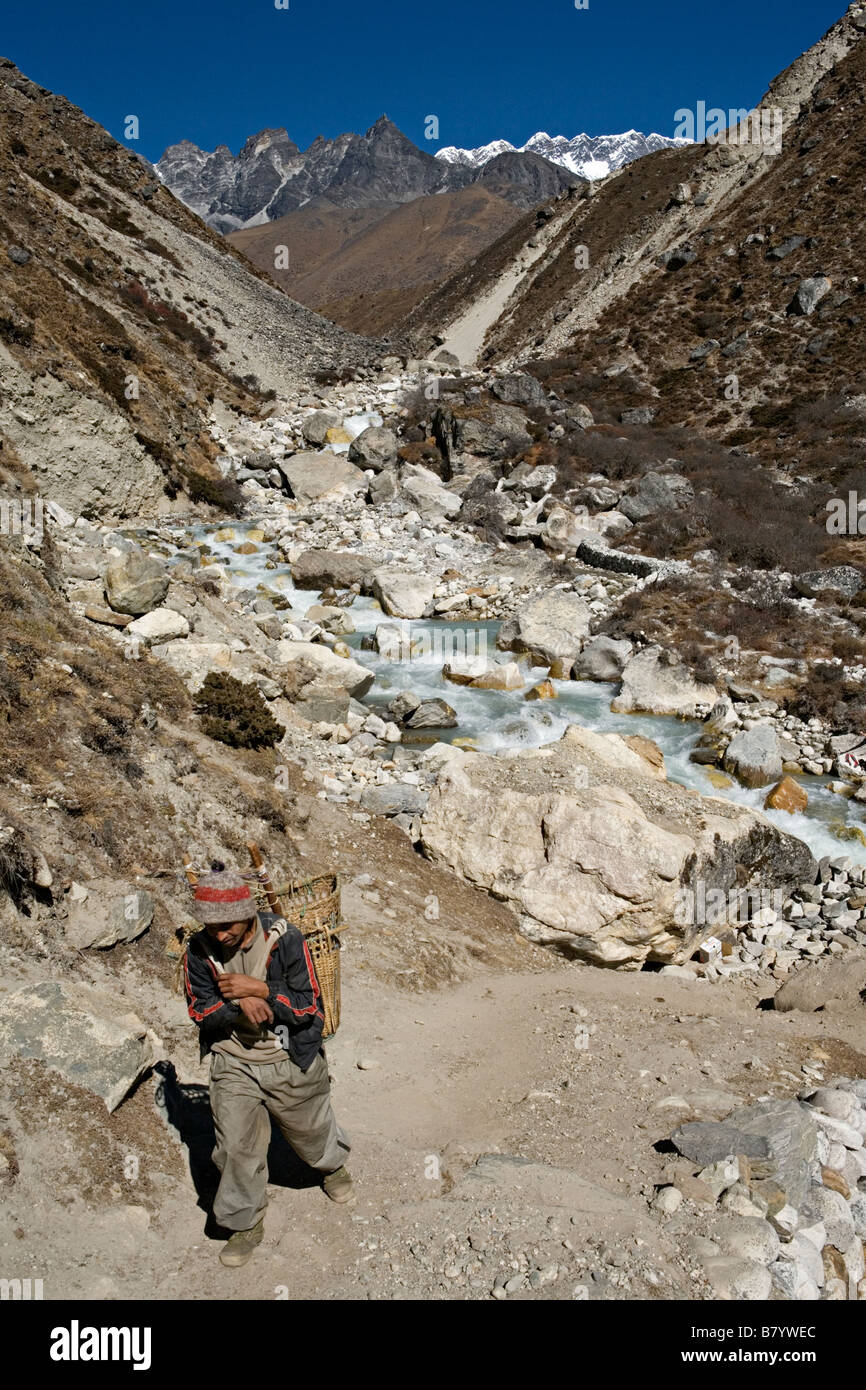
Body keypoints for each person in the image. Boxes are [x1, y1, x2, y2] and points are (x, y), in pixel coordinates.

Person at [183, 862, 353, 1268]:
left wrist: (262, 990)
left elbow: (309, 1005)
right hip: (234, 1057)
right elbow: (200, 1011)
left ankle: (331, 1165)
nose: (219, 935)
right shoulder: (198, 950)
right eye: (212, 927)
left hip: (287, 1053)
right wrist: (238, 1001)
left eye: (227, 926)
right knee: (235, 1145)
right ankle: (244, 1221)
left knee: (309, 1129)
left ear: (247, 915)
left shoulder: (286, 938)